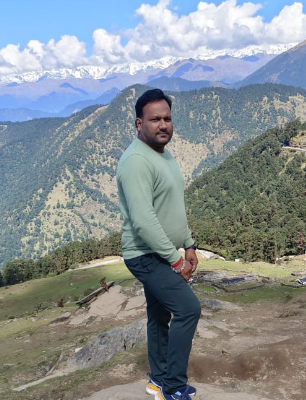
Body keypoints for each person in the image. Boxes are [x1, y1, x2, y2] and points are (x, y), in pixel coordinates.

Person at [116, 88, 201, 400]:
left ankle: (158, 379)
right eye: (155, 119)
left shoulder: (163, 154)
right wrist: (176, 261)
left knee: (159, 315)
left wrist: (189, 244)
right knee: (188, 309)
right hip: (145, 255)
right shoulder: (136, 162)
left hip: (161, 252)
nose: (163, 125)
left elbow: (173, 206)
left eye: (167, 118)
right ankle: (173, 388)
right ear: (139, 124)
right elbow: (144, 221)